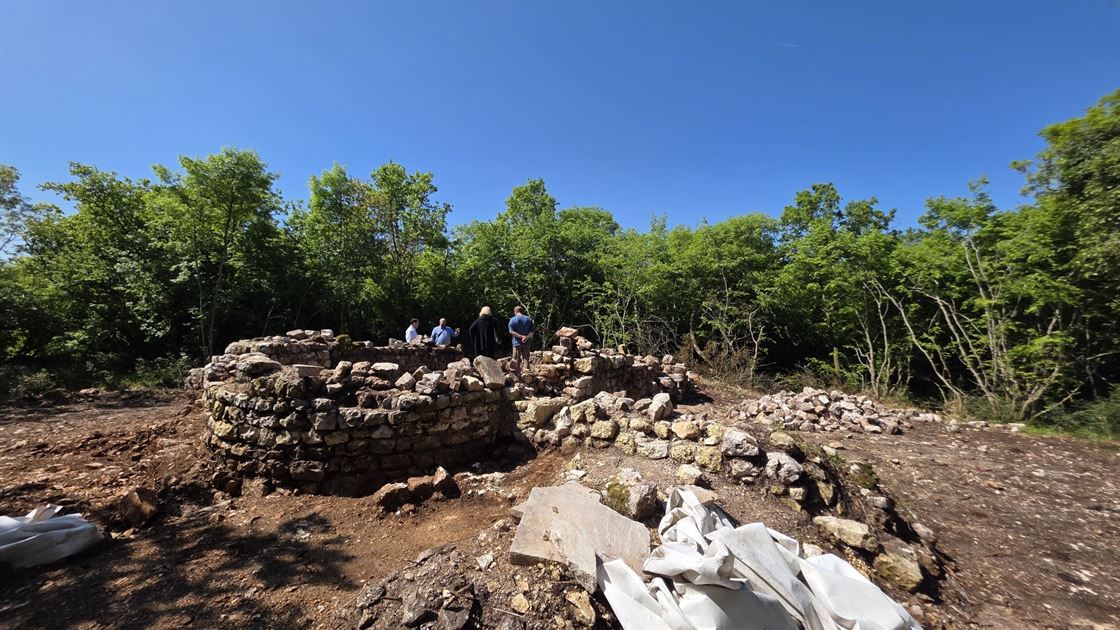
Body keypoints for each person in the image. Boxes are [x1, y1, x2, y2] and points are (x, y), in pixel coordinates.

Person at [508, 305, 535, 373]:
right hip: (526, 343)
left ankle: (517, 377)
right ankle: (527, 376)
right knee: (526, 359)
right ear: (521, 311)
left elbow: (511, 331)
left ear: (515, 312)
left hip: (517, 343)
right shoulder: (528, 319)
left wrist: (520, 336)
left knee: (515, 360)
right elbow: (532, 332)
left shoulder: (513, 319)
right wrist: (526, 337)